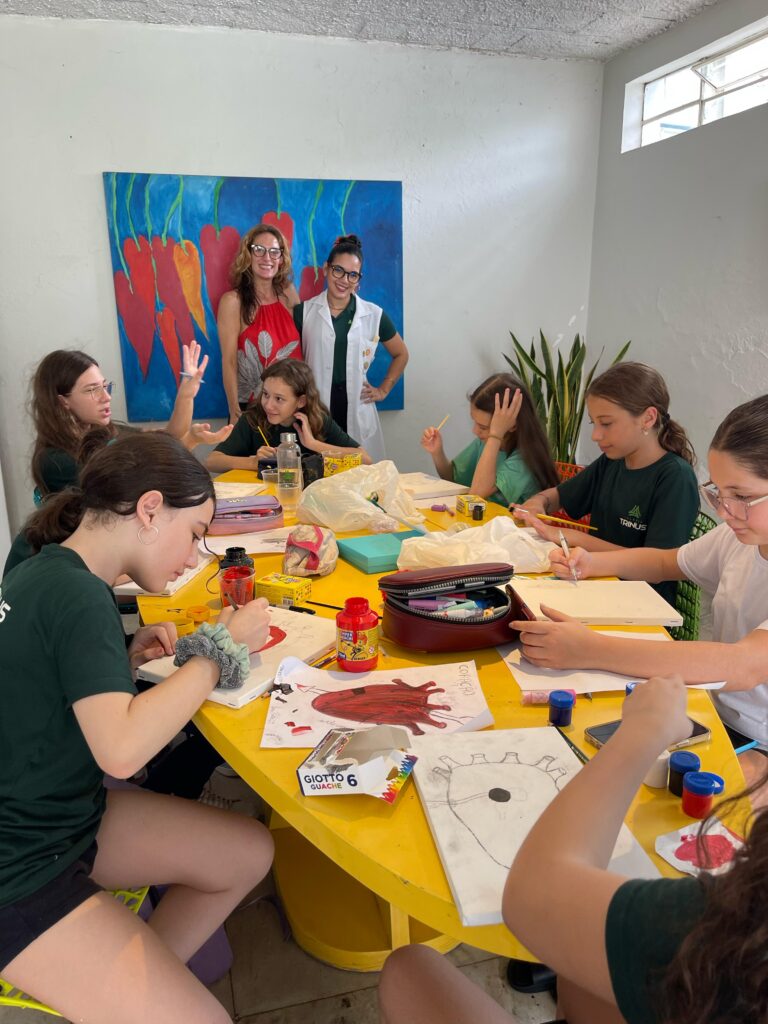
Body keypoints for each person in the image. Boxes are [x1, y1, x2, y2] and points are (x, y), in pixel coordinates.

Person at [0, 432, 274, 1023]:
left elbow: (45, 687)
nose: (194, 557)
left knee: (248, 850)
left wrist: (119, 659)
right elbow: (122, 752)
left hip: (62, 816)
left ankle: (133, 996)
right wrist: (218, 649)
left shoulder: (49, 571)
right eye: (196, 535)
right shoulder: (77, 593)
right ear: (150, 509)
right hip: (19, 867)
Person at [379, 675, 768, 1024]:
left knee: (407, 970)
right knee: (583, 980)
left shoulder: (735, 928)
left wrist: (646, 729)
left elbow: (534, 898)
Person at [514, 394, 768, 787]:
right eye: (717, 492)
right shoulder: (736, 540)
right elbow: (667, 561)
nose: (724, 510)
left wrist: (590, 648)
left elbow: (744, 665)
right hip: (716, 714)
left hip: (759, 741)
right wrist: (595, 562)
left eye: (742, 496)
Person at [515, 362, 699, 604]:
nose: (596, 435)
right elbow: (556, 496)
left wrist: (573, 538)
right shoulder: (611, 462)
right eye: (594, 423)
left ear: (647, 418)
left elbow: (658, 565)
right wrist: (537, 503)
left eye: (607, 423)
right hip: (594, 584)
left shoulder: (675, 477)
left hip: (640, 605)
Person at [30, 341, 230, 500]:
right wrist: (189, 441)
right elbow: (133, 484)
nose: (106, 397)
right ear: (63, 401)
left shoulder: (106, 431)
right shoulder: (55, 461)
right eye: (91, 390)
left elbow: (168, 437)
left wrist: (186, 396)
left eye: (105, 386)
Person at [293, 233, 408, 461]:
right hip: (318, 407)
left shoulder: (374, 315)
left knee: (361, 482)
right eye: (338, 270)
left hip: (357, 407)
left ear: (359, 280)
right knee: (317, 478)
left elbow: (401, 354)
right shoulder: (303, 312)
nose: (344, 280)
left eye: (352, 275)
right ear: (326, 268)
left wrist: (383, 389)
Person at [206, 358, 371, 474]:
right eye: (265, 394)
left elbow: (365, 459)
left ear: (300, 401)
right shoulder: (252, 420)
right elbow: (212, 461)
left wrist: (313, 444)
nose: (268, 405)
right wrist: (253, 462)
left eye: (279, 399)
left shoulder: (317, 420)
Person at [421, 373, 559, 506]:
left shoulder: (524, 459)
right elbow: (451, 478)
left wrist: (495, 435)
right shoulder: (485, 443)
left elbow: (477, 494)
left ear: (512, 425)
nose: (475, 431)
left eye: (483, 427)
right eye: (474, 422)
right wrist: (437, 452)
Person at [217, 223, 301, 423]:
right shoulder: (232, 302)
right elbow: (229, 362)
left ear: (281, 258)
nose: (267, 258)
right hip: (254, 410)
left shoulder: (288, 293)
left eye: (274, 252)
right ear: (248, 254)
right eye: (259, 250)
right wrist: (235, 411)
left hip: (292, 409)